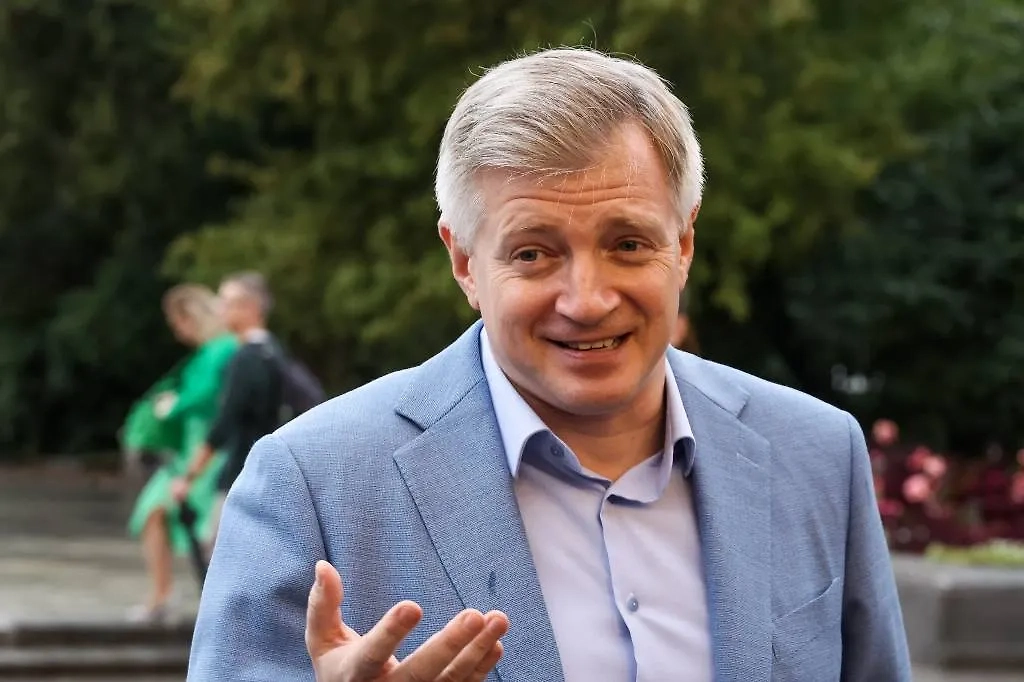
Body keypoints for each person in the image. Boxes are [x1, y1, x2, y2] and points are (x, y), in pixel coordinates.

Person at [188, 48, 910, 681]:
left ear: (684, 244)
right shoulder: (312, 484)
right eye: (533, 252)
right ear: (464, 261)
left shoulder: (817, 453)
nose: (587, 301)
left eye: (628, 244)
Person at [124, 284, 237, 622]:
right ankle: (163, 595)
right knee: (154, 512)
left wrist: (172, 405)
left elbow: (206, 395)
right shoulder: (208, 352)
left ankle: (204, 603)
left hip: (210, 450)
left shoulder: (223, 349)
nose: (176, 331)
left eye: (178, 322)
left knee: (205, 529)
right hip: (191, 449)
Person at [171, 272, 284, 545]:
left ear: (250, 308)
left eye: (226, 302)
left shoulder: (245, 359)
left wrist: (189, 476)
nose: (219, 310)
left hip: (240, 474)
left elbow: (225, 422)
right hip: (268, 473)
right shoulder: (274, 351)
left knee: (222, 557)